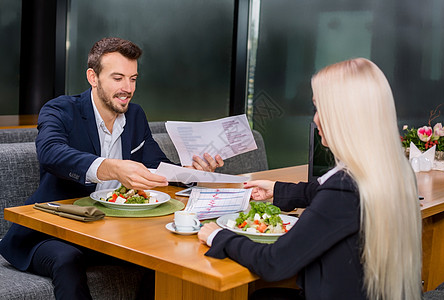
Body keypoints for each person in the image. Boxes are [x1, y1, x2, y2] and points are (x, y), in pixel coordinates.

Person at [0, 37, 224, 299]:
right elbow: (50, 153)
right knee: (67, 259)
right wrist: (110, 168)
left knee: (167, 258)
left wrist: (193, 172)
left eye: (133, 79)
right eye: (118, 78)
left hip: (112, 232)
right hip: (53, 232)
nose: (127, 88)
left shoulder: (135, 115)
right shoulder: (60, 109)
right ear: (93, 77)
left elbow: (156, 167)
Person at [198, 58, 422, 300]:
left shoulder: (344, 189)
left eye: (319, 108)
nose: (315, 120)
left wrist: (217, 236)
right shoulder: (392, 171)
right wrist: (277, 189)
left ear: (343, 115)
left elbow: (274, 263)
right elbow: (320, 193)